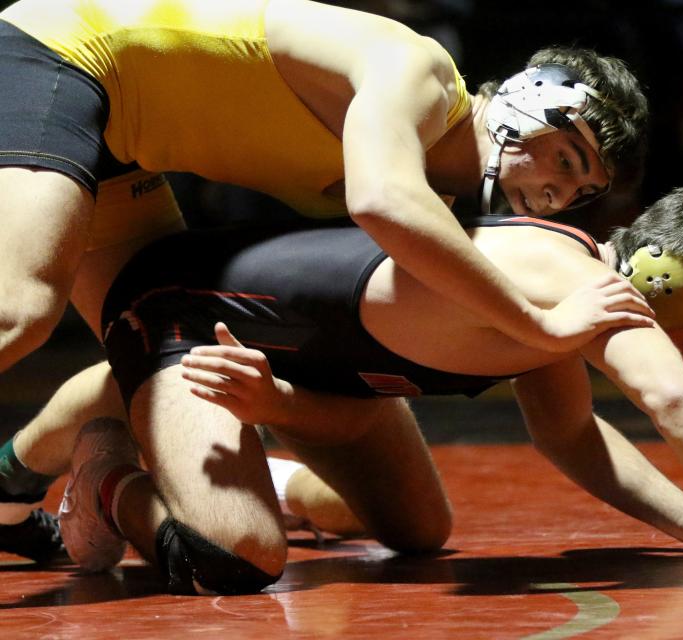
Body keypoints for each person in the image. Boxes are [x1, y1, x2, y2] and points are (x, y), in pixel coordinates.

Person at [11, 187, 683, 595]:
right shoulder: (567, 279)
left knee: (422, 533)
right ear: (669, 278)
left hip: (308, 374)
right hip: (184, 314)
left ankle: (169, 449)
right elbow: (680, 411)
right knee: (240, 562)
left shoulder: (553, 314)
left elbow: (576, 440)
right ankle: (105, 480)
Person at [0, 0, 649, 553]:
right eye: (564, 159)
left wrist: (281, 402)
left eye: (578, 189)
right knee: (22, 310)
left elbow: (358, 362)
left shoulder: (434, 204)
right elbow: (379, 202)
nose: (555, 195)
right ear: (529, 99)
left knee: (150, 338)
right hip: (63, 51)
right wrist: (534, 319)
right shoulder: (417, 75)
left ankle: (7, 489)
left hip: (124, 151)